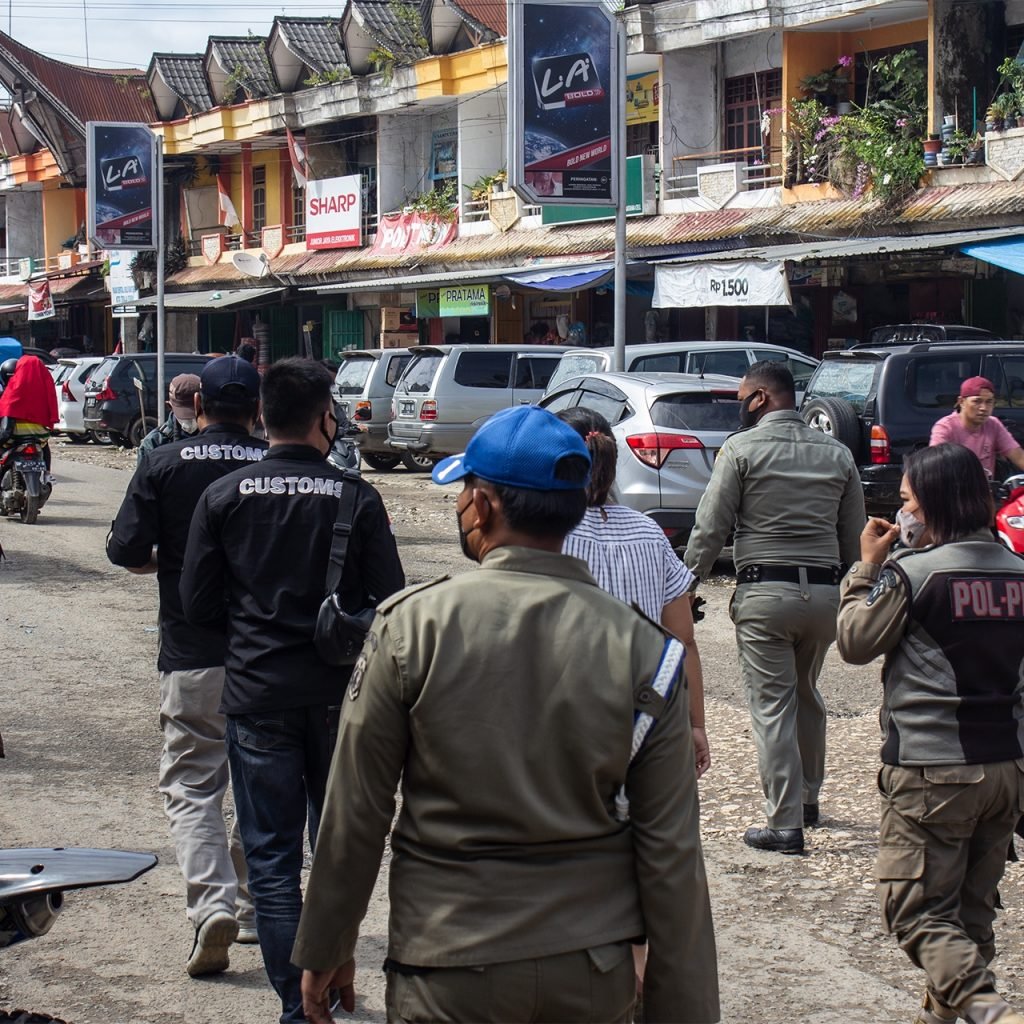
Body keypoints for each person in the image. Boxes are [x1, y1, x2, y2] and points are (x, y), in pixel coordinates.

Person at [292, 405, 719, 1024]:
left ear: (485, 506)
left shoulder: (412, 626)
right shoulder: (646, 650)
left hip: (446, 967)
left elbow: (357, 809)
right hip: (591, 974)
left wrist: (329, 942)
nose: (462, 504)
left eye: (466, 489)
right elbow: (672, 853)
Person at [180, 357, 404, 1024]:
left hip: (256, 697)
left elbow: (196, 605)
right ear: (322, 420)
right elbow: (390, 601)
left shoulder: (222, 497)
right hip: (341, 697)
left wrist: (253, 628)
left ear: (261, 417)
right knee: (336, 852)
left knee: (273, 862)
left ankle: (294, 1007)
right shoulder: (356, 498)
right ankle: (333, 973)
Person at [835, 443, 1024, 1024]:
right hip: (1007, 770)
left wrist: (865, 566)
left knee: (915, 911)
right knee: (969, 917)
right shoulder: (1020, 573)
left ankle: (989, 1011)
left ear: (934, 504)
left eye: (909, 499)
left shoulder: (914, 574)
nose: (902, 510)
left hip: (932, 769)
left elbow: (853, 642)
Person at [106, 356, 267, 978]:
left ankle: (211, 906)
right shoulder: (276, 467)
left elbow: (123, 548)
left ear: (196, 407)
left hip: (193, 652)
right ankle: (254, 904)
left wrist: (165, 563)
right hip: (270, 658)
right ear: (257, 410)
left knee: (195, 784)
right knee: (261, 778)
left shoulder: (162, 461)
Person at [684, 360, 865, 855]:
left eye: (743, 395)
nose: (740, 404)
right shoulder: (837, 453)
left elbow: (710, 528)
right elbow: (855, 538)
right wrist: (851, 590)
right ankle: (809, 800)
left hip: (765, 596)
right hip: (826, 597)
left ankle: (785, 823)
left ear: (760, 398)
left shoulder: (740, 449)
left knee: (772, 706)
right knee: (807, 693)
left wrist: (687, 584)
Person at [557, 406, 710, 779]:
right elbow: (683, 641)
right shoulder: (648, 531)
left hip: (570, 719)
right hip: (648, 718)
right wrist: (696, 725)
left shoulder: (548, 534)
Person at [929, 375, 1024, 479]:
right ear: (961, 402)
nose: (984, 408)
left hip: (987, 491)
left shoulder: (994, 424)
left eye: (989, 402)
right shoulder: (945, 427)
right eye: (977, 401)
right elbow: (934, 467)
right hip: (955, 491)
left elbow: (1018, 456)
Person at [0, 355, 59, 471]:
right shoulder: (45, 391)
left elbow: (6, 416)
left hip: (15, 435)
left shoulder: (13, 391)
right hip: (40, 435)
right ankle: (47, 474)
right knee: (45, 446)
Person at [136, 373, 201, 465]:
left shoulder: (218, 439)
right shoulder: (154, 443)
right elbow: (142, 478)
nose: (190, 420)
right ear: (169, 406)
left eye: (196, 413)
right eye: (184, 415)